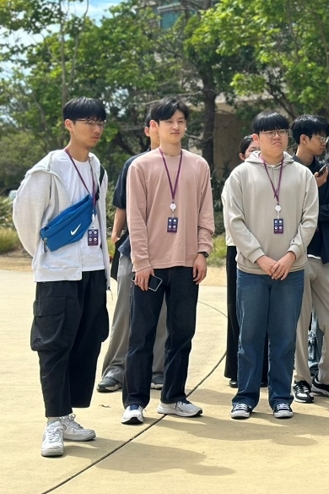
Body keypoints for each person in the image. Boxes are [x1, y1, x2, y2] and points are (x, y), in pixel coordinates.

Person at [14, 97, 110, 457]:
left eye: (100, 122)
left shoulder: (97, 165)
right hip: (58, 274)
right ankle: (53, 421)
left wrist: (101, 264)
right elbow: (26, 219)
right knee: (53, 344)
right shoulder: (50, 167)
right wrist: (47, 255)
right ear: (68, 124)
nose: (96, 129)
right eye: (88, 122)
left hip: (92, 270)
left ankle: (67, 415)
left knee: (86, 341)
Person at [122, 97, 215, 425]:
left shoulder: (198, 166)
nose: (176, 127)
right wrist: (142, 262)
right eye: (168, 122)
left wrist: (202, 252)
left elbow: (206, 212)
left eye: (180, 121)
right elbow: (136, 217)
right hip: (150, 265)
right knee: (141, 335)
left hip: (187, 263)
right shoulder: (141, 166)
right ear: (155, 127)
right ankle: (134, 402)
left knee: (182, 333)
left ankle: (173, 397)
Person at [223, 112, 318, 420]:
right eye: (269, 132)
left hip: (291, 270)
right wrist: (260, 257)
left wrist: (290, 255)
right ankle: (245, 397)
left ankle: (281, 397)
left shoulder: (302, 175)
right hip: (252, 271)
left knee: (284, 336)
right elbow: (234, 222)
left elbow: (309, 220)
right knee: (249, 335)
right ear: (257, 138)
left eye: (281, 131)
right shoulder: (240, 175)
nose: (276, 137)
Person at [98, 109, 167, 394]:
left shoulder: (188, 165)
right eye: (160, 124)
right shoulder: (134, 164)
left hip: (171, 250)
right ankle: (116, 367)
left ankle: (157, 369)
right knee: (126, 309)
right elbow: (122, 205)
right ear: (150, 129)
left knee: (162, 313)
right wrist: (115, 236)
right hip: (133, 247)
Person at [290, 115, 329, 403]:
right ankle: (301, 379)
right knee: (299, 323)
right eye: (319, 136)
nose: (324, 142)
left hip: (325, 256)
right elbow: (288, 215)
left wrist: (311, 212)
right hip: (296, 257)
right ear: (303, 139)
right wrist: (313, 190)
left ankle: (326, 378)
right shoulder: (286, 170)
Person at [225, 135, 268, 389]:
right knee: (239, 313)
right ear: (242, 155)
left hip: (267, 250)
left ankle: (264, 370)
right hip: (238, 249)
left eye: (260, 150)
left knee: (264, 314)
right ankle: (238, 370)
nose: (257, 154)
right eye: (252, 150)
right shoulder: (238, 177)